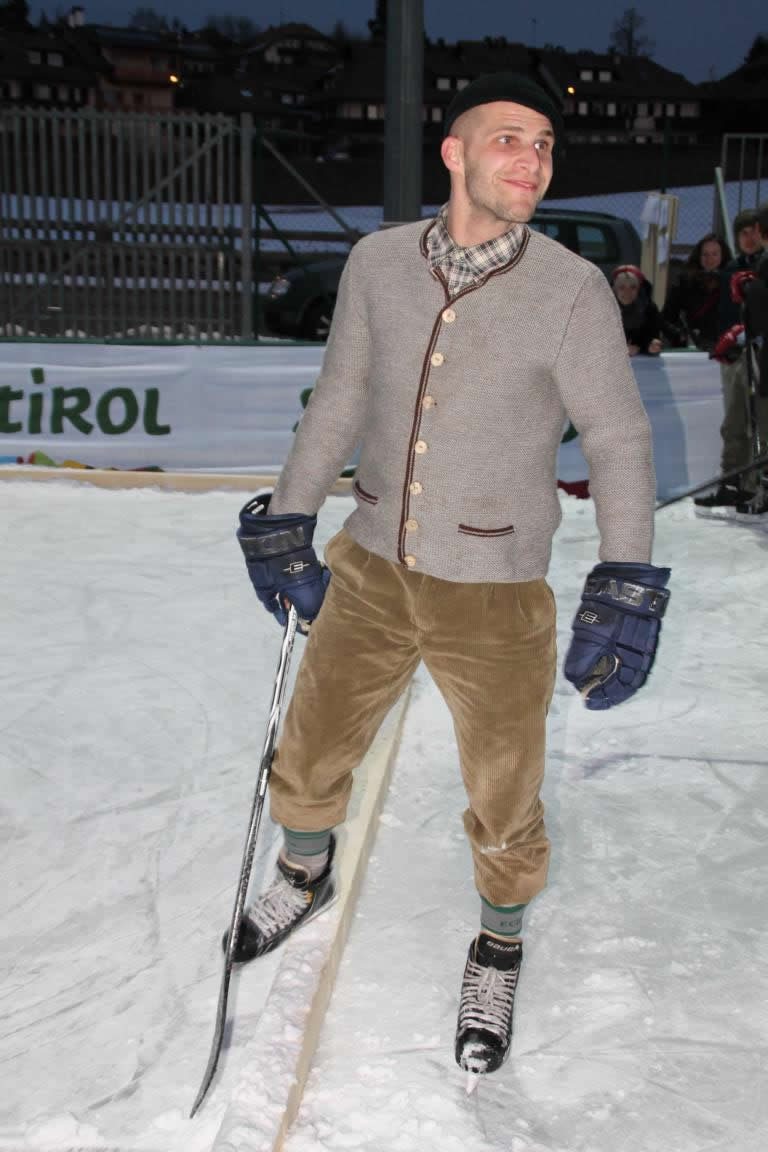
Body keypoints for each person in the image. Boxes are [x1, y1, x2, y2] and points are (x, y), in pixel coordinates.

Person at [232, 72, 670, 1080]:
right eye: (509, 138)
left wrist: (627, 578)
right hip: (371, 567)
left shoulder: (571, 288)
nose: (532, 159)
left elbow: (618, 437)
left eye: (545, 144)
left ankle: (499, 947)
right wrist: (291, 516)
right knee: (310, 749)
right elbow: (340, 398)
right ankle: (303, 873)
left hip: (497, 591)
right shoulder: (378, 262)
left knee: (505, 793)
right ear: (455, 153)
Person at [694, 209, 765, 512]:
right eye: (742, 233)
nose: (748, 238)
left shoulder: (764, 267)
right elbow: (722, 313)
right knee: (734, 422)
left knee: (760, 423)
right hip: (735, 355)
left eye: (753, 232)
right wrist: (722, 341)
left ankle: (757, 486)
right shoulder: (730, 270)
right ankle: (732, 483)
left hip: (761, 354)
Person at [662, 233, 731, 352]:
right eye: (705, 254)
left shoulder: (733, 280)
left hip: (727, 346)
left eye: (715, 254)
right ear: (698, 256)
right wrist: (681, 336)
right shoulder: (685, 281)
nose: (710, 259)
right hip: (694, 346)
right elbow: (667, 316)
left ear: (723, 255)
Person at [610, 265, 663, 356]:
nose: (627, 292)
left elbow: (652, 336)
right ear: (614, 290)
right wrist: (620, 350)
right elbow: (595, 344)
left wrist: (652, 346)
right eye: (622, 287)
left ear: (639, 289)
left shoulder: (649, 309)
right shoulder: (603, 310)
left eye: (633, 287)